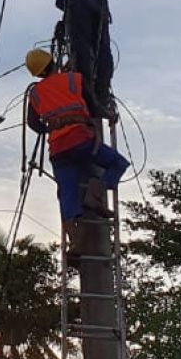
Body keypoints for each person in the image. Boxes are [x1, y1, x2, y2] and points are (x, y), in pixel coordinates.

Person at [23, 48, 129, 228]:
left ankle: (75, 241)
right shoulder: (73, 79)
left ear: (37, 73)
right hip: (81, 141)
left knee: (67, 194)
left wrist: (53, 128)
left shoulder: (35, 93)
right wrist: (109, 114)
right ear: (53, 62)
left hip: (58, 150)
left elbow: (33, 124)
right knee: (118, 163)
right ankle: (94, 196)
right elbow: (94, 107)